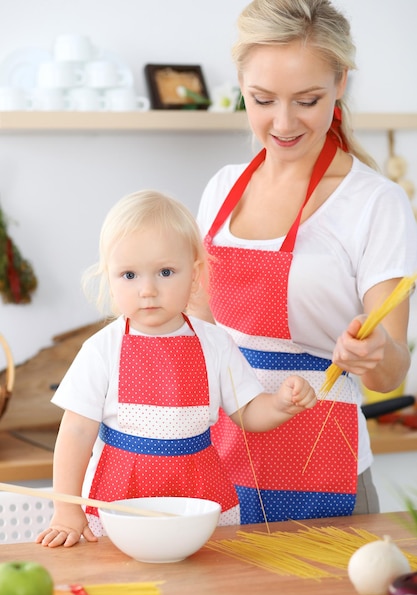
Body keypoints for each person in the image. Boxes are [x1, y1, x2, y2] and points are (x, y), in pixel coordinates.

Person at [190, 0, 417, 524]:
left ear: (340, 83)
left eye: (308, 100)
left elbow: (391, 371)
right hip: (218, 467)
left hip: (324, 473)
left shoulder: (374, 202)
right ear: (241, 86)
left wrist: (374, 352)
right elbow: (198, 334)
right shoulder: (223, 188)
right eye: (263, 99)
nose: (284, 123)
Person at [36, 190, 316, 548]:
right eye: (129, 275)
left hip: (199, 500)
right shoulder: (102, 349)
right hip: (122, 501)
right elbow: (75, 432)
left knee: (206, 585)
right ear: (109, 277)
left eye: (165, 272)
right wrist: (66, 508)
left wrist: (279, 404)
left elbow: (247, 412)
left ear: (195, 275)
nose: (148, 290)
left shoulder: (215, 343)